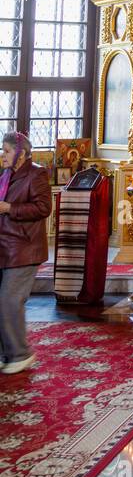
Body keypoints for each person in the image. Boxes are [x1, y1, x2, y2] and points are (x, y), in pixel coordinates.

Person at [0, 132, 52, 374]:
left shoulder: (36, 174)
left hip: (24, 247)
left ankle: (21, 354)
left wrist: (9, 208)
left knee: (10, 301)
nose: (3, 155)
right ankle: (6, 354)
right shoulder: (6, 175)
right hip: (5, 246)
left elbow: (43, 208)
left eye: (7, 150)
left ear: (20, 153)